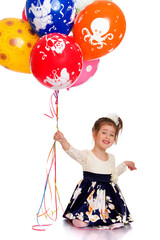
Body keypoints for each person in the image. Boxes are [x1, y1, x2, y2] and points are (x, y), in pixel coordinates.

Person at [54, 114, 137, 229]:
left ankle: (109, 219)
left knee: (115, 217)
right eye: (104, 132)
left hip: (107, 197)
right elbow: (72, 151)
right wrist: (63, 141)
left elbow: (113, 174)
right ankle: (82, 218)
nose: (108, 137)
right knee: (81, 221)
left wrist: (125, 164)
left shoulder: (111, 157)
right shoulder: (87, 155)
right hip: (89, 196)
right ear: (94, 134)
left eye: (111, 134)